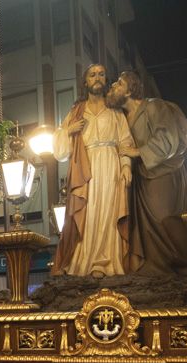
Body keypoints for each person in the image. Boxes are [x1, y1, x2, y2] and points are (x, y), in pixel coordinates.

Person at [107, 70, 187, 277]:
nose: (113, 86)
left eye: (118, 83)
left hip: (162, 173)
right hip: (140, 180)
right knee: (144, 229)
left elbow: (168, 137)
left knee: (166, 218)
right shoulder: (120, 119)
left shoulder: (154, 106)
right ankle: (157, 270)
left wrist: (138, 152)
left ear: (130, 90)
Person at [51, 63, 134, 277]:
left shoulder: (115, 111)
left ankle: (105, 263)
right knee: (88, 215)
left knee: (108, 212)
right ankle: (84, 263)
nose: (97, 77)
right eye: (92, 75)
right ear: (85, 81)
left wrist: (126, 165)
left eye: (101, 74)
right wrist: (69, 130)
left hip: (111, 166)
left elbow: (125, 141)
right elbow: (59, 151)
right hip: (85, 167)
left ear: (105, 80)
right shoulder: (76, 111)